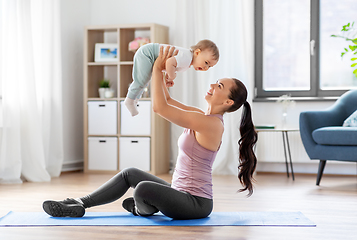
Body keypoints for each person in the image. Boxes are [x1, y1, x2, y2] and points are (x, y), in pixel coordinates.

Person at [42, 46, 257, 220]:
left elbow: (159, 108)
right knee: (130, 173)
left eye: (219, 85)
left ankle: (142, 207)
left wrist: (156, 68)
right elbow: (169, 101)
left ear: (228, 102)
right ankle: (79, 203)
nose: (212, 84)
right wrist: (163, 75)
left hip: (195, 203)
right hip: (178, 191)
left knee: (143, 189)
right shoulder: (201, 115)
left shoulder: (212, 125)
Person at [124, 39, 219, 116]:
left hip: (149, 54)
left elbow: (167, 64)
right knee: (141, 80)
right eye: (206, 63)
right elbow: (169, 63)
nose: (206, 68)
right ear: (197, 52)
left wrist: (168, 76)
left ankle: (135, 99)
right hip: (147, 54)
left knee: (145, 80)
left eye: (209, 66)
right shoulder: (187, 58)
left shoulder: (187, 59)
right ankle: (130, 100)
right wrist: (172, 76)